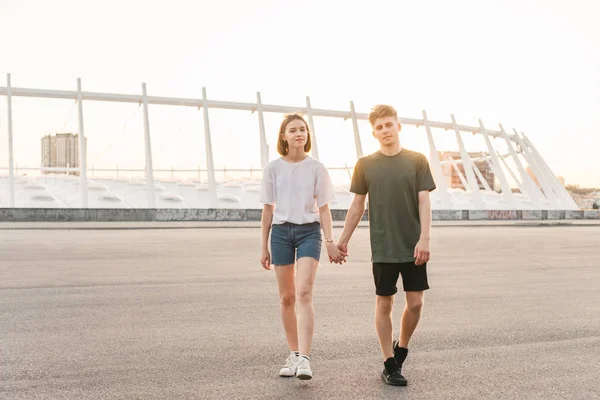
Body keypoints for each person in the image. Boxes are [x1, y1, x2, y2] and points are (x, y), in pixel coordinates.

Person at [337, 104, 436, 386]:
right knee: (384, 303)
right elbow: (357, 205)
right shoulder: (365, 165)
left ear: (398, 126)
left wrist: (425, 238)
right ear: (374, 133)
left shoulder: (417, 160)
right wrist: (343, 240)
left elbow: (424, 201)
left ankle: (401, 348)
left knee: (415, 303)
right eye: (379, 127)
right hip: (382, 245)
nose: (385, 130)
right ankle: (389, 363)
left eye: (388, 125)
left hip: (413, 243)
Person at [260, 113, 346, 380]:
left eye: (303, 130)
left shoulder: (317, 168)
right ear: (284, 136)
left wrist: (330, 240)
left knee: (304, 292)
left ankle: (306, 359)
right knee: (286, 297)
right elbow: (267, 209)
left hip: (310, 232)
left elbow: (324, 208)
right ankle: (294, 354)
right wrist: (263, 246)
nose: (299, 134)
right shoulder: (273, 169)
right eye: (293, 130)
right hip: (281, 233)